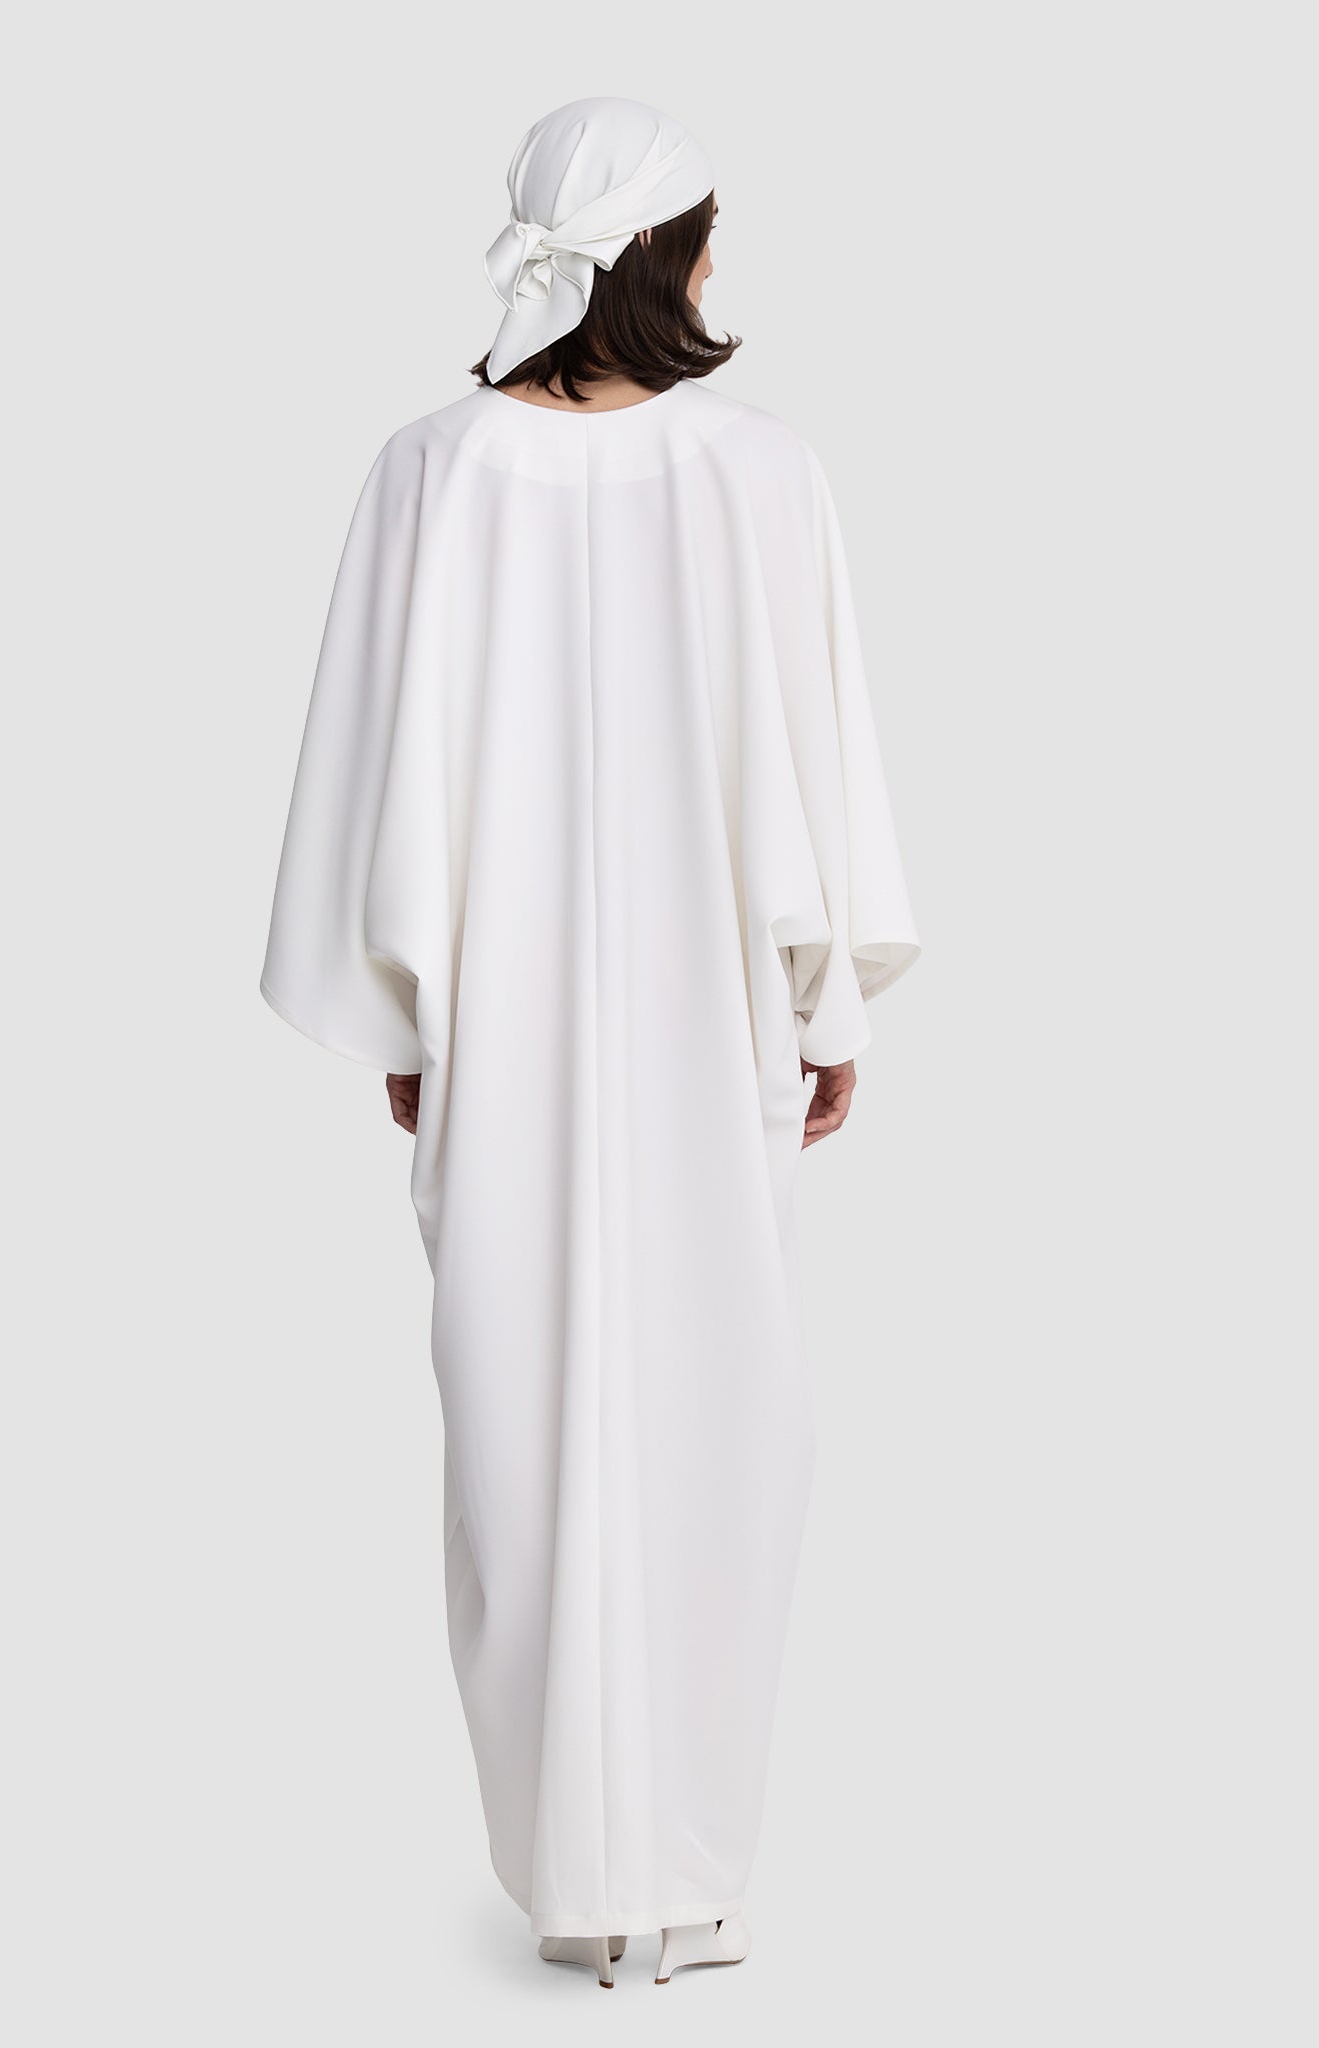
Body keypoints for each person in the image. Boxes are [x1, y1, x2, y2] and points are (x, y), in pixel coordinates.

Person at [260, 97, 917, 1988]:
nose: (718, 270)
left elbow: (377, 776)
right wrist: (823, 1001)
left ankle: (589, 1865)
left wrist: (410, 1011)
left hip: (511, 1035)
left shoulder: (431, 468)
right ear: (662, 256)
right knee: (716, 1414)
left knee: (529, 1430)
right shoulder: (762, 473)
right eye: (707, 238)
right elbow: (818, 767)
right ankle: (670, 1869)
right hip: (712, 1030)